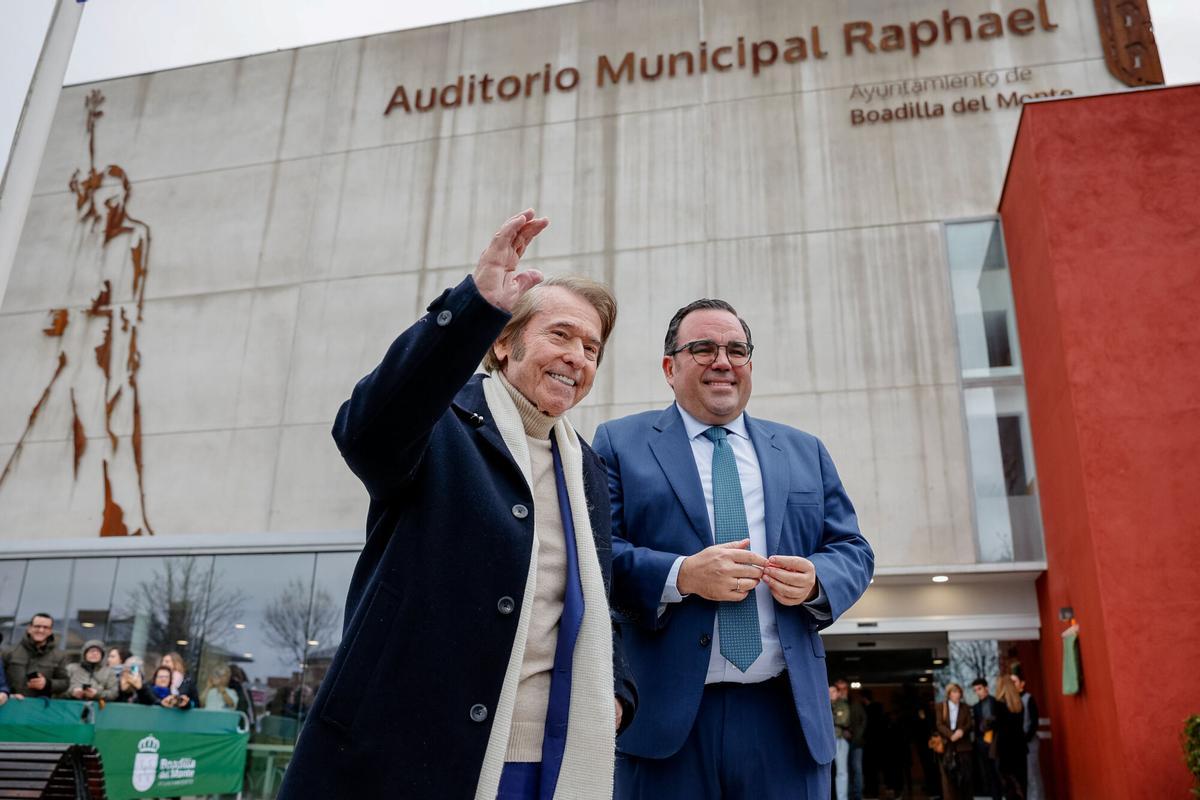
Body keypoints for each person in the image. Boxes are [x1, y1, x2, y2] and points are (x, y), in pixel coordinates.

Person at [279, 210, 636, 800]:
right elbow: (365, 431)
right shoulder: (438, 424)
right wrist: (473, 306)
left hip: (548, 763)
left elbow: (591, 599)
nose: (578, 356)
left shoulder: (588, 470)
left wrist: (617, 689)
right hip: (409, 757)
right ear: (502, 342)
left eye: (591, 347)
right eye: (560, 335)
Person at [593, 298, 874, 799]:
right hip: (665, 719)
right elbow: (598, 555)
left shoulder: (804, 449)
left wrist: (817, 580)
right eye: (703, 348)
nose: (723, 362)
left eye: (736, 350)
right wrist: (682, 575)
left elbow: (853, 549)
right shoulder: (619, 443)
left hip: (785, 720)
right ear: (670, 368)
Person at [3, 614, 69, 698]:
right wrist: (8, 694)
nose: (41, 630)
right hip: (12, 703)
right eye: (37, 626)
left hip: (41, 705)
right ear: (29, 628)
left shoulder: (59, 656)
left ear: (50, 631)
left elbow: (65, 683)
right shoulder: (10, 652)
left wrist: (47, 684)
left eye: (45, 627)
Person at [936, 683, 973, 800]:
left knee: (966, 778)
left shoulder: (965, 707)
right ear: (949, 694)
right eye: (954, 692)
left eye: (959, 692)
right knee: (948, 779)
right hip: (948, 746)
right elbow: (939, 724)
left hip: (963, 746)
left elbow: (970, 724)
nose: (958, 694)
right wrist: (951, 735)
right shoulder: (941, 706)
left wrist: (961, 731)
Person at [992, 676, 1027, 799]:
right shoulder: (1019, 703)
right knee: (1021, 783)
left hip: (1005, 750)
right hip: (1020, 748)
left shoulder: (998, 705)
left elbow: (998, 726)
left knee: (1009, 786)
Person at [1012, 672, 1044, 800]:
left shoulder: (1028, 698)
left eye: (1014, 681)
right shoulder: (1010, 701)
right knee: (1021, 778)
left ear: (1022, 683)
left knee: (1032, 776)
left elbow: (1034, 722)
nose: (1012, 684)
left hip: (1029, 743)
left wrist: (1025, 739)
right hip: (1017, 745)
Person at [972, 677, 1002, 800]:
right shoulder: (976, 707)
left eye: (979, 689)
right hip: (983, 744)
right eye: (975, 690)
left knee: (1000, 772)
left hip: (997, 742)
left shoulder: (996, 703)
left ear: (986, 688)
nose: (977, 692)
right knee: (990, 774)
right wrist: (979, 742)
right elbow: (976, 727)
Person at [840, 681, 867, 800]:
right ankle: (850, 794)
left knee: (856, 768)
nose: (842, 692)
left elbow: (863, 721)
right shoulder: (838, 704)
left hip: (856, 742)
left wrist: (857, 735)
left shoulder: (856, 705)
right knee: (846, 769)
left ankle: (857, 794)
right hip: (843, 741)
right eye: (840, 689)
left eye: (844, 689)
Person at [831, 682, 851, 800]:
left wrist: (829, 718)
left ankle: (842, 798)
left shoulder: (843, 705)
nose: (830, 694)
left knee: (841, 772)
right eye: (828, 691)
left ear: (838, 693)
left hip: (839, 739)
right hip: (827, 741)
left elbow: (842, 720)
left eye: (833, 691)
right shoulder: (823, 705)